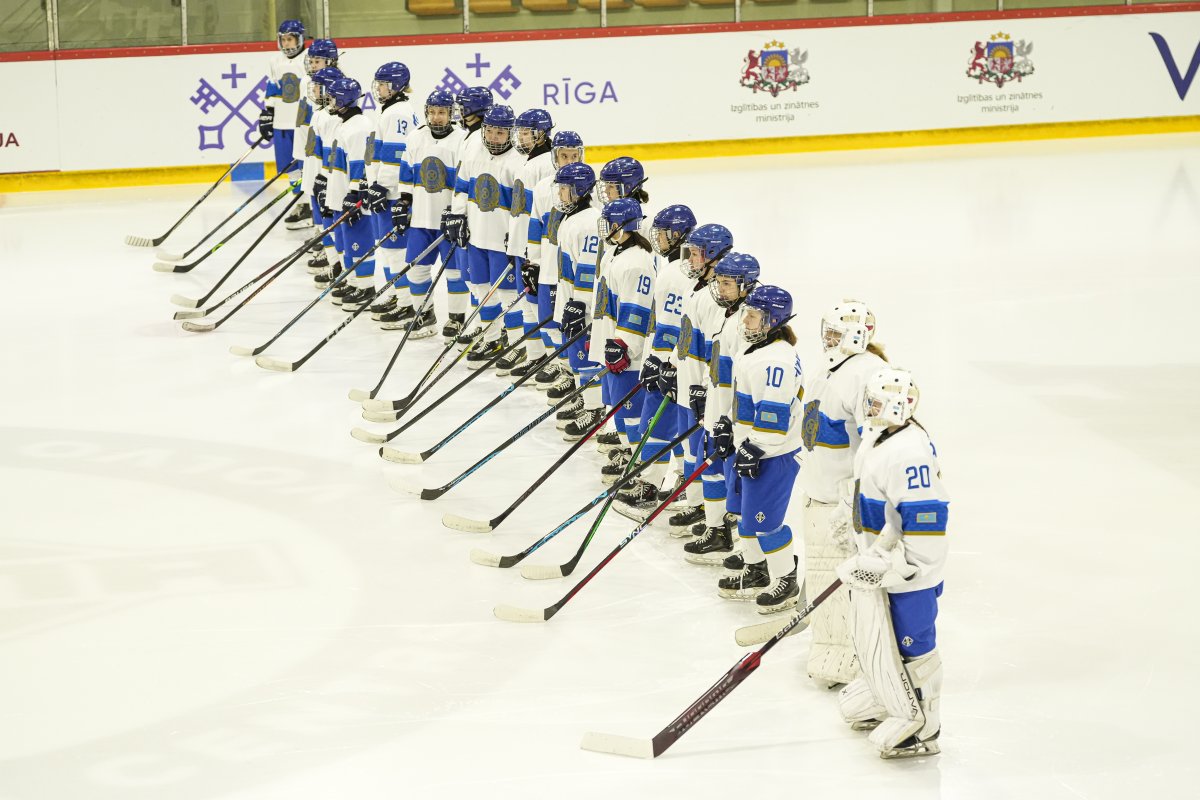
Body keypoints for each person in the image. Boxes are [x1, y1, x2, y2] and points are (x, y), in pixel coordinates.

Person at [835, 368, 947, 759]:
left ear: (899, 406)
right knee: (878, 638)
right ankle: (892, 699)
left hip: (910, 575)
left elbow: (927, 523)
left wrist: (898, 566)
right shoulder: (879, 438)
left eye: (877, 402)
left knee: (913, 646)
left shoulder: (909, 451)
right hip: (882, 561)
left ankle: (924, 726)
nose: (869, 407)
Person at [800, 300, 889, 687]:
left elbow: (876, 441)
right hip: (820, 493)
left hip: (842, 500)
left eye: (836, 332)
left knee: (846, 583)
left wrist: (857, 499)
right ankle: (829, 645)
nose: (828, 338)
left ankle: (855, 654)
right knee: (823, 577)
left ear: (856, 335)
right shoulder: (832, 368)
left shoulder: (869, 374)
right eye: (828, 330)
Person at [711, 284, 804, 614]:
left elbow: (773, 417)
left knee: (766, 523)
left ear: (771, 322)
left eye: (752, 317)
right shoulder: (757, 351)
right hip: (752, 446)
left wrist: (755, 447)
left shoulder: (775, 360)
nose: (745, 322)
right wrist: (728, 426)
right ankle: (757, 568)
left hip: (774, 454)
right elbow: (747, 403)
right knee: (745, 516)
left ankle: (786, 579)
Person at [614, 203, 696, 521]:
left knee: (656, 426)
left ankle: (648, 488)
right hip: (680, 364)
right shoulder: (679, 268)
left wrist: (659, 361)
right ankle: (680, 483)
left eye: (662, 234)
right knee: (678, 429)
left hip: (671, 365)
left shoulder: (676, 273)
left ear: (676, 236)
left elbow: (670, 327)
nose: (656, 239)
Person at [661, 224, 734, 552]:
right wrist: (673, 367)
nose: (688, 259)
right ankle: (697, 502)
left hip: (702, 391)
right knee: (692, 451)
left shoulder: (716, 301)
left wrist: (704, 389)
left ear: (713, 257)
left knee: (708, 456)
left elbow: (717, 353)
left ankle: (714, 512)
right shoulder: (699, 290)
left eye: (694, 253)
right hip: (686, 384)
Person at [444, 104, 526, 366]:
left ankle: (517, 344)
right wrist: (457, 215)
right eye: (489, 131)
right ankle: (491, 338)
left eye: (500, 133)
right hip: (476, 236)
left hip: (502, 243)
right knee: (480, 289)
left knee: (507, 294)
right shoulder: (473, 151)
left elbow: (522, 208)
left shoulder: (518, 163)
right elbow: (461, 186)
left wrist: (516, 236)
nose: (493, 137)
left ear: (511, 134)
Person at [393, 89, 466, 338]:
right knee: (416, 269)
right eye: (433, 112)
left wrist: (459, 214)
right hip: (421, 219)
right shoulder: (416, 137)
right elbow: (406, 172)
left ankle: (457, 319)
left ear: (451, 114)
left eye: (442, 113)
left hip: (449, 221)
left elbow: (464, 184)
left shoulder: (461, 140)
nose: (436, 118)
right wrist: (403, 202)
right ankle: (425, 315)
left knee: (455, 272)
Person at [591, 198, 655, 462]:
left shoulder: (636, 263)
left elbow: (636, 309)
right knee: (617, 404)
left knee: (630, 409)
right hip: (610, 341)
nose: (605, 227)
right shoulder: (616, 253)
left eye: (610, 223)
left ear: (623, 225)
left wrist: (624, 345)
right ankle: (626, 448)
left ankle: (634, 458)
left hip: (626, 352)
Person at [521, 130, 584, 390]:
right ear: (554, 156)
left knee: (569, 326)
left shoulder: (587, 188)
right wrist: (533, 262)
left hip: (568, 273)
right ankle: (561, 367)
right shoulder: (542, 189)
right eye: (564, 155)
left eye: (574, 155)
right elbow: (535, 228)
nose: (569, 160)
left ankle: (572, 374)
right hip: (547, 268)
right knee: (549, 323)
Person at [496, 108, 555, 376]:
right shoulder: (529, 161)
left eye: (526, 133)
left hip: (532, 249)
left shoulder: (545, 165)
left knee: (537, 306)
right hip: (521, 246)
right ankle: (535, 357)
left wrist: (534, 253)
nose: (520, 137)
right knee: (527, 305)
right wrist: (513, 239)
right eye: (519, 132)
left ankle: (553, 362)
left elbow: (542, 212)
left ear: (541, 134)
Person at [547, 162, 603, 432]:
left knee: (586, 356)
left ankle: (594, 410)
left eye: (565, 190)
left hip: (584, 306)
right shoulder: (571, 218)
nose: (560, 195)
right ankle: (586, 398)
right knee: (576, 356)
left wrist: (581, 304)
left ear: (580, 191)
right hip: (571, 300)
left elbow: (589, 268)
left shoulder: (590, 222)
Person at [363, 62, 420, 325]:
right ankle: (398, 295)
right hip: (384, 191)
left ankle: (408, 303)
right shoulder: (389, 110)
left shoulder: (397, 113)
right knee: (386, 247)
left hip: (394, 193)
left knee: (396, 249)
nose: (378, 89)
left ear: (396, 86)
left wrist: (382, 186)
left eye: (383, 84)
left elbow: (397, 157)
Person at [436, 86, 493, 343]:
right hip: (468, 215)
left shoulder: (481, 138)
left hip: (480, 219)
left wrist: (462, 212)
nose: (459, 111)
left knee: (483, 279)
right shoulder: (470, 136)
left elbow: (474, 182)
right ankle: (481, 321)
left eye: (464, 107)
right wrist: (456, 211)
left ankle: (490, 326)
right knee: (473, 276)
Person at [318, 77, 376, 311]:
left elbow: (362, 165)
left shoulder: (359, 127)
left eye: (332, 97)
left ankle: (366, 287)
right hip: (340, 194)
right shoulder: (343, 123)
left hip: (353, 198)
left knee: (358, 242)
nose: (329, 100)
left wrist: (355, 194)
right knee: (345, 241)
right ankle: (352, 281)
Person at [306, 64, 346, 290]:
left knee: (330, 225)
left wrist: (324, 179)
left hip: (325, 180)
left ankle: (337, 265)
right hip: (316, 179)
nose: (316, 92)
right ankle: (334, 263)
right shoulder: (320, 114)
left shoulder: (330, 118)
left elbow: (333, 151)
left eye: (320, 88)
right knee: (323, 225)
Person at [261, 19, 306, 197]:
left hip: (302, 123)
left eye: (290, 39)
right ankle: (299, 201)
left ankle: (310, 203)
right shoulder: (275, 61)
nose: (286, 43)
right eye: (284, 39)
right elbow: (272, 90)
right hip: (282, 123)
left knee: (306, 164)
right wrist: (267, 113)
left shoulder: (309, 58)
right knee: (290, 165)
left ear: (299, 39)